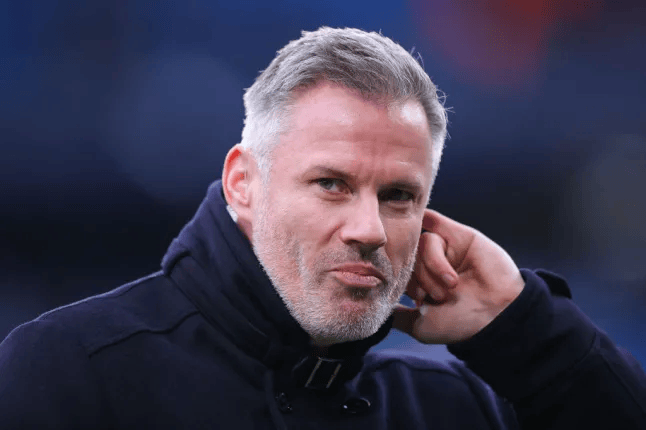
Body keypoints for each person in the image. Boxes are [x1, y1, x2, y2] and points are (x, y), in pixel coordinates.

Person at [1, 27, 645, 429]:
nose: (369, 229)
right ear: (242, 184)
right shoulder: (71, 372)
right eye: (331, 184)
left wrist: (528, 330)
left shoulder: (451, 408)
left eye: (398, 196)